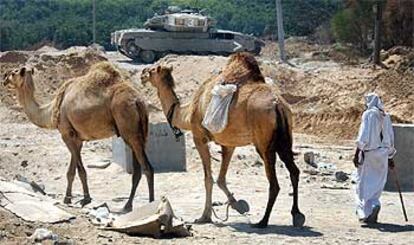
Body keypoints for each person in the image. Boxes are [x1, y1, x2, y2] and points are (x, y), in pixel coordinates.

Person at [353, 93, 396, 224]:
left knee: (363, 184)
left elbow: (363, 136)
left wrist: (357, 153)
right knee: (377, 184)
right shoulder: (386, 116)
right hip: (382, 154)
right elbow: (389, 138)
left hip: (369, 153)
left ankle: (365, 212)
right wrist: (390, 157)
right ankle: (374, 204)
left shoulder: (368, 115)